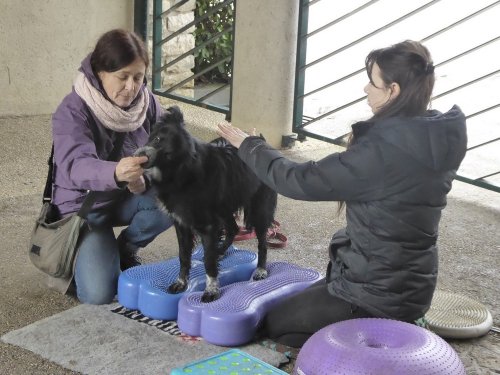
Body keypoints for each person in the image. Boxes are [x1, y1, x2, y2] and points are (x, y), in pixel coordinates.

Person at [217, 40, 467, 348]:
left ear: (393, 90)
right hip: (410, 286)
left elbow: (300, 180)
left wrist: (250, 146)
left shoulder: (383, 152)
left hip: (375, 294)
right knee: (296, 304)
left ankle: (363, 346)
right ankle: (389, 323)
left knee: (273, 324)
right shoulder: (436, 135)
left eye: (372, 82)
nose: (365, 89)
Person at [51, 29, 174, 305]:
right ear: (100, 72)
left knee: (176, 200)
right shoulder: (72, 110)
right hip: (84, 210)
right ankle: (84, 258)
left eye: (138, 77)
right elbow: (74, 166)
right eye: (122, 77)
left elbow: (171, 141)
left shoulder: (147, 102)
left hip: (126, 195)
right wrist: (116, 172)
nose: (131, 87)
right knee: (100, 294)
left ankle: (125, 250)